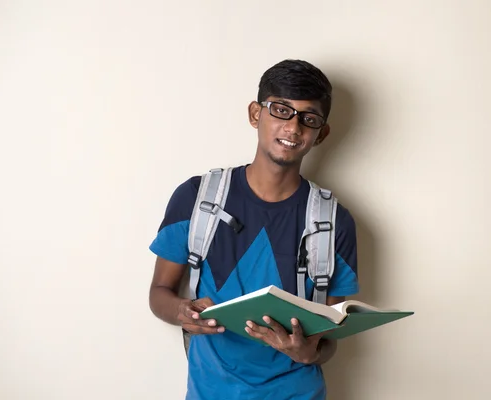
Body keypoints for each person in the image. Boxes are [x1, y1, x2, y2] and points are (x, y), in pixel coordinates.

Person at [148, 59, 359, 400]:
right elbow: (159, 291)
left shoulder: (336, 221)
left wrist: (310, 354)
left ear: (322, 133)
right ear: (255, 114)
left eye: (309, 119)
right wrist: (181, 312)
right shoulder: (196, 198)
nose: (293, 128)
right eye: (281, 110)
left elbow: (331, 333)